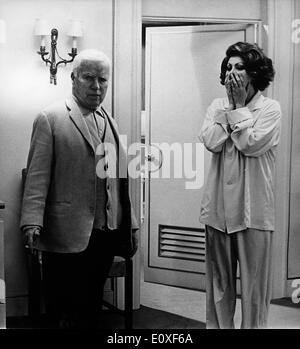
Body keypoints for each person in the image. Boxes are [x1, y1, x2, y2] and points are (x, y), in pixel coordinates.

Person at [20, 49, 139, 329]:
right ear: (73, 78)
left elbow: (120, 182)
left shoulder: (109, 121)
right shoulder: (50, 118)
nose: (97, 86)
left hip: (104, 236)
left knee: (90, 310)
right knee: (60, 312)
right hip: (64, 234)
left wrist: (130, 225)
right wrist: (31, 223)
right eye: (89, 78)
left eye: (103, 79)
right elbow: (37, 177)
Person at [199, 42, 281, 329]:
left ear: (254, 73)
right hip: (218, 213)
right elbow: (211, 141)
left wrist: (235, 109)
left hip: (254, 214)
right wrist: (231, 108)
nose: (232, 72)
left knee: (254, 290)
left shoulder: (270, 109)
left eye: (239, 67)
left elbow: (250, 144)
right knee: (219, 288)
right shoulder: (215, 106)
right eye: (229, 67)